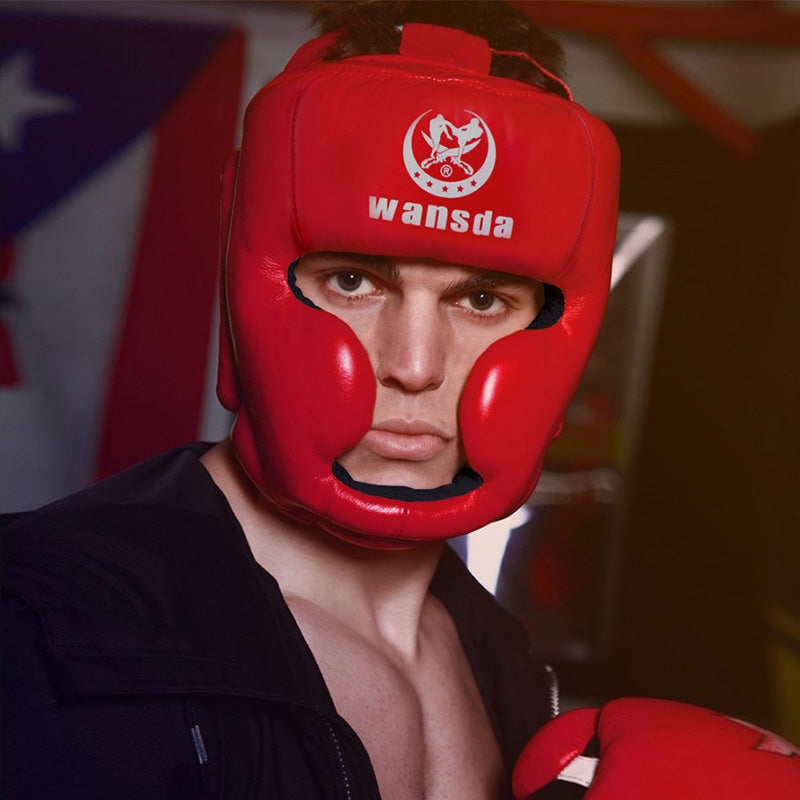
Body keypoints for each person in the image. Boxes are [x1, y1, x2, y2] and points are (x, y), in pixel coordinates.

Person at [5, 3, 798, 800]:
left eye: (482, 298)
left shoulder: (503, 659)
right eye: (353, 281)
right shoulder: (38, 622)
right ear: (248, 285)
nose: (414, 366)